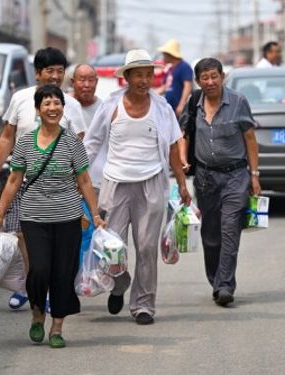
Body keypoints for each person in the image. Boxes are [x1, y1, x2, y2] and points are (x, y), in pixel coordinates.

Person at [0, 84, 104, 348]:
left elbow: (84, 181)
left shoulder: (72, 142)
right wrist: (0, 214)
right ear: (38, 109)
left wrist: (95, 215)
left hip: (68, 218)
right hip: (34, 217)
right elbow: (14, 180)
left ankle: (57, 328)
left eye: (57, 103)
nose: (52, 108)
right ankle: (38, 314)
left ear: (63, 108)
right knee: (39, 270)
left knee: (63, 273)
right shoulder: (26, 142)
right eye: (47, 104)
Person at [84, 49, 191, 325]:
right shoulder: (111, 106)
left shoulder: (162, 108)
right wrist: (76, 176)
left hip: (151, 183)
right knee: (111, 246)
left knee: (145, 248)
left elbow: (171, 149)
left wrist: (182, 184)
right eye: (138, 75)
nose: (144, 80)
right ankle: (120, 283)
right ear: (127, 77)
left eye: (148, 74)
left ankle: (143, 305)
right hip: (115, 184)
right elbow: (92, 144)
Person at [0, 47, 86, 310]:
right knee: (22, 236)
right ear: (38, 73)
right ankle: (33, 286)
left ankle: (47, 290)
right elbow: (7, 137)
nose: (55, 76)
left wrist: (77, 184)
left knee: (54, 243)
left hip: (60, 188)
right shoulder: (20, 99)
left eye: (60, 72)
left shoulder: (71, 105)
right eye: (49, 71)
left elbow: (79, 144)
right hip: (24, 182)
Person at [179, 58, 261, 307]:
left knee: (229, 230)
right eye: (205, 77)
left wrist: (255, 176)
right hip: (205, 178)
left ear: (222, 77)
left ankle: (225, 285)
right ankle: (216, 280)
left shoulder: (238, 101)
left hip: (236, 175)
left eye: (215, 76)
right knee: (211, 235)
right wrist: (183, 161)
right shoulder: (194, 103)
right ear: (198, 81)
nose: (211, 82)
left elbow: (249, 137)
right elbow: (183, 135)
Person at [156, 39, 193, 117]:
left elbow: (187, 86)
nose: (163, 58)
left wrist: (181, 105)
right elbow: (165, 87)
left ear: (170, 55)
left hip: (178, 108)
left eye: (165, 55)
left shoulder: (184, 67)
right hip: (169, 107)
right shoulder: (170, 69)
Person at [71, 63, 102, 139]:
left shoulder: (103, 109)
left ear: (96, 82)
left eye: (91, 80)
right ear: (73, 82)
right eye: (82, 80)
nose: (87, 85)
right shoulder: (63, 105)